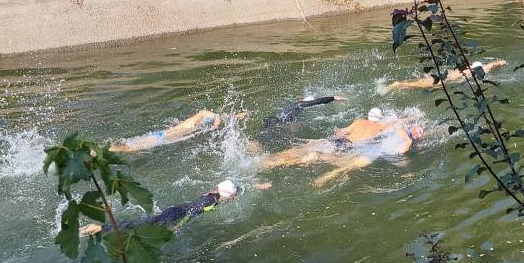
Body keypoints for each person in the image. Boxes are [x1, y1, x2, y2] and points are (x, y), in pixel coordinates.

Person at [261, 109, 426, 186]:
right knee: (317, 156)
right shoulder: (382, 129)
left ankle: (270, 161)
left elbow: (340, 132)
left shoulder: (359, 121)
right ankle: (306, 159)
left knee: (303, 148)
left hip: (334, 140)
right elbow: (396, 127)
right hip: (348, 147)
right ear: (381, 119)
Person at [79, 179, 243, 237]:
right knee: (140, 225)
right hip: (176, 214)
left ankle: (101, 229)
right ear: (227, 195)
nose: (234, 198)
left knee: (145, 223)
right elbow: (194, 211)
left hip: (175, 210)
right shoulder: (211, 201)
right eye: (233, 196)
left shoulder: (214, 195)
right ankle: (100, 228)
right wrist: (180, 225)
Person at [109, 110, 247, 153]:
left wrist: (239, 116)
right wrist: (216, 117)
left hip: (163, 136)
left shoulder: (205, 122)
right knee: (127, 149)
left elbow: (226, 117)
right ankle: (98, 151)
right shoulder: (197, 120)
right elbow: (202, 113)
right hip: (163, 137)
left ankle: (104, 150)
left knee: (132, 149)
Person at [384, 60, 507, 92]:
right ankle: (398, 84)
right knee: (419, 86)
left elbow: (491, 65)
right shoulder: (473, 71)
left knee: (419, 82)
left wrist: (500, 63)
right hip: (443, 80)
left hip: (443, 76)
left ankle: (400, 85)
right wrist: (500, 63)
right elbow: (490, 65)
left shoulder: (466, 68)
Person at [262, 95, 347, 129]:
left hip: (274, 121)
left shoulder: (290, 107)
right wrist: (334, 98)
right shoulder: (300, 104)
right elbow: (318, 101)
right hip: (279, 125)